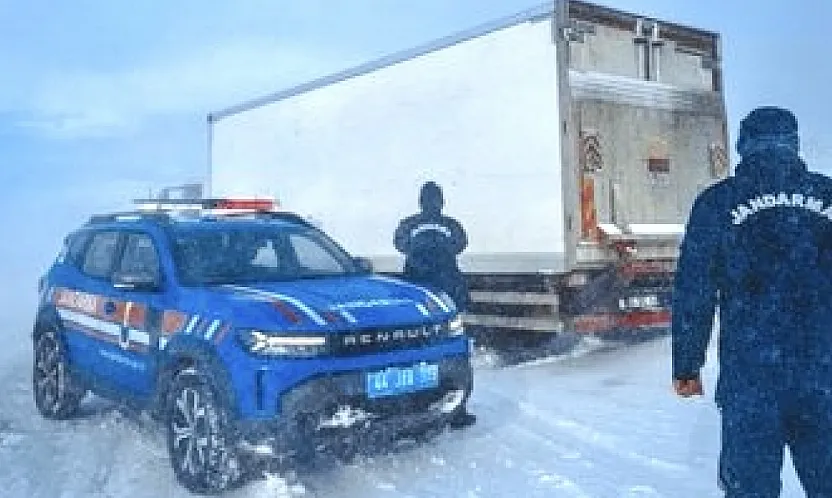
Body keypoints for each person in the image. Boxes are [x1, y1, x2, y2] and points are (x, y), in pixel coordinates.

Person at [671, 106, 832, 497]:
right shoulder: (827, 196)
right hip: (823, 377)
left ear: (744, 146)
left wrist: (687, 365)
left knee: (751, 489)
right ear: (793, 145)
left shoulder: (717, 203)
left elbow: (694, 290)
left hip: (751, 381)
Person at [394, 181, 476, 429]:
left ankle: (414, 403)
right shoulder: (451, 224)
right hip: (447, 289)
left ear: (420, 201)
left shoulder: (409, 224)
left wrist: (420, 253)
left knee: (418, 349)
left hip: (420, 289)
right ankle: (458, 410)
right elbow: (462, 244)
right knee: (453, 349)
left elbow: (399, 244)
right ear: (441, 201)